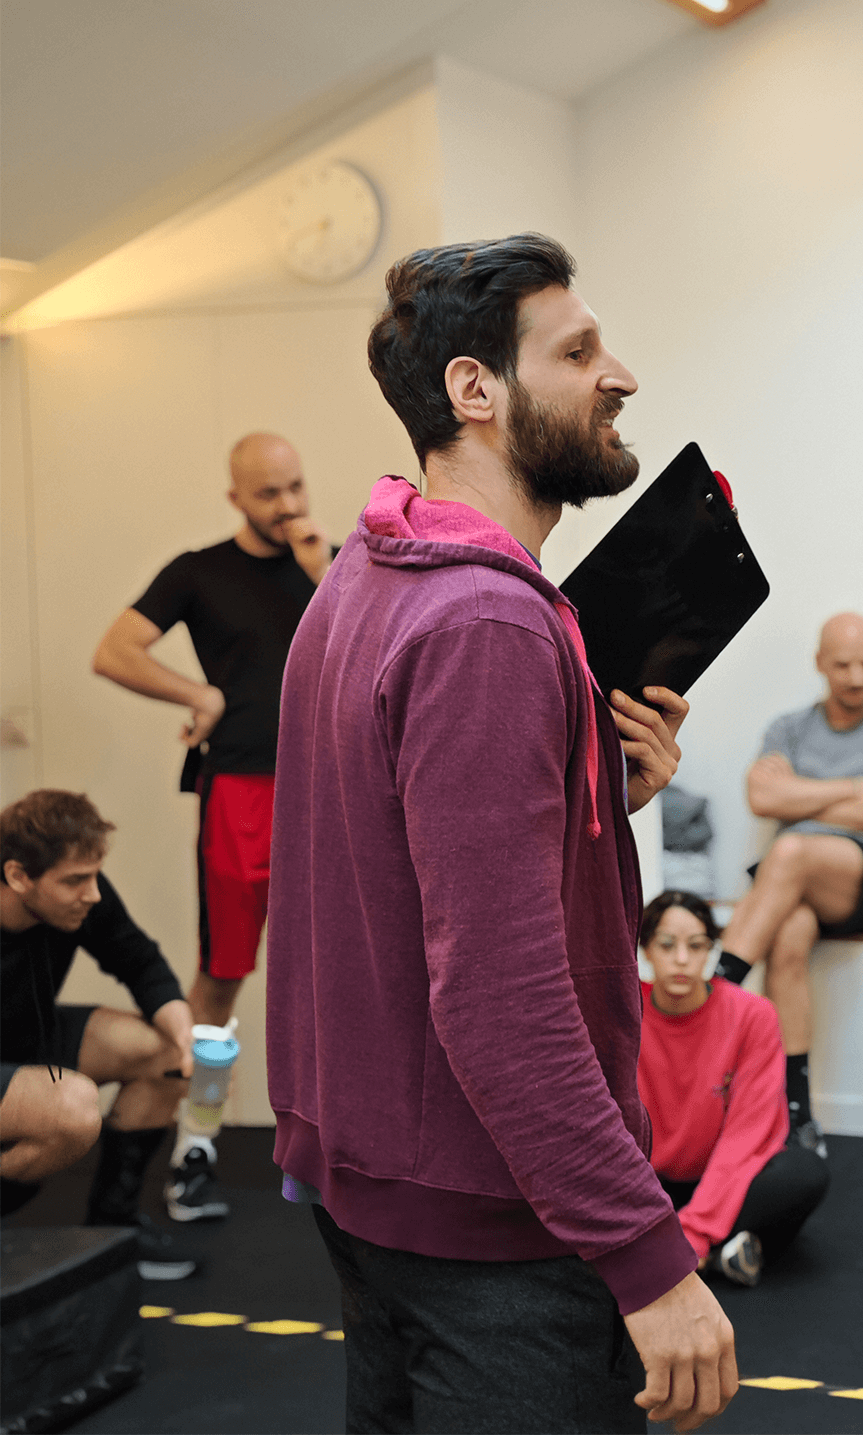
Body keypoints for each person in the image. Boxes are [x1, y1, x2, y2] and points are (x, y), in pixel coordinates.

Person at [267, 234, 738, 1434]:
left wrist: (593, 798)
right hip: (496, 1224)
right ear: (475, 388)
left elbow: (400, 855)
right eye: (578, 353)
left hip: (378, 1183)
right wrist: (646, 1256)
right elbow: (498, 990)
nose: (619, 375)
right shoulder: (488, 624)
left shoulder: (367, 573)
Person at [92, 432, 333, 1222]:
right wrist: (198, 695)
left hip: (326, 792)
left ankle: (342, 1150)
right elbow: (115, 651)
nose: (287, 505)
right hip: (239, 793)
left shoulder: (336, 568)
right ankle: (194, 1146)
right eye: (268, 493)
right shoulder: (199, 571)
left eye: (295, 486)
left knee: (339, 975)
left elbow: (373, 649)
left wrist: (322, 574)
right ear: (236, 497)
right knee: (221, 979)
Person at [714, 613, 863, 1156]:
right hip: (794, 883)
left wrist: (802, 794)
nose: (857, 677)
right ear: (820, 664)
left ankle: (715, 997)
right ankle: (797, 1115)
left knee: (789, 851)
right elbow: (762, 797)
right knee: (788, 936)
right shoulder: (788, 729)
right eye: (843, 665)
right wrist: (856, 788)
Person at [1, 790, 199, 1279]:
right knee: (71, 1110)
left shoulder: (83, 900)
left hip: (27, 1036)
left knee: (165, 1053)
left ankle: (113, 1231)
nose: (91, 893)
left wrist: (186, 1037)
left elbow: (141, 962)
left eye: (93, 876)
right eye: (74, 880)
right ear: (18, 876)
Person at [638, 890, 829, 1288]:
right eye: (667, 945)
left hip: (724, 1180)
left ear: (711, 950)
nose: (681, 959)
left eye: (696, 946)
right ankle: (732, 1248)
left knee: (805, 1172)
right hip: (650, 1185)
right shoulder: (624, 1011)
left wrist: (695, 1231)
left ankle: (685, 1246)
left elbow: (748, 1132)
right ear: (646, 950)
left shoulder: (751, 1014)